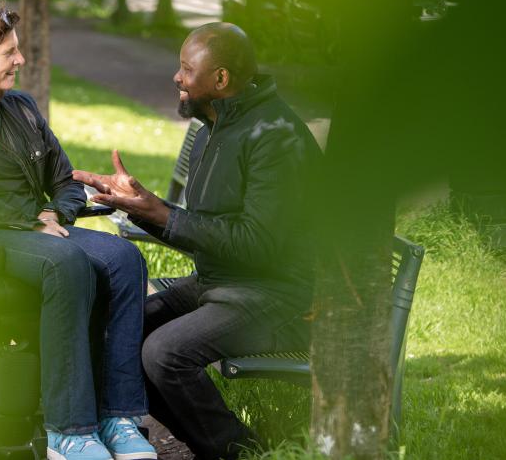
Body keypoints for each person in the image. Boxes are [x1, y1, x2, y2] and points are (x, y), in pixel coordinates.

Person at [0, 0, 157, 460]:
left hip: (35, 229)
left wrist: (53, 215)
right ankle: (70, 431)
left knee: (125, 258)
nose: (21, 60)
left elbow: (64, 182)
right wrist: (30, 221)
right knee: (64, 262)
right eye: (9, 53)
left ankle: (118, 417)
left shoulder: (19, 108)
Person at [73, 23, 321, 460]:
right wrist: (139, 207)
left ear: (220, 79)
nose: (177, 77)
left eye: (187, 69)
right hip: (223, 281)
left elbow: (257, 243)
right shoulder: (213, 127)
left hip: (279, 294)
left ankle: (240, 452)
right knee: (120, 330)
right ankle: (213, 445)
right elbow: (203, 227)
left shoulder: (275, 137)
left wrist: (158, 211)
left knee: (164, 353)